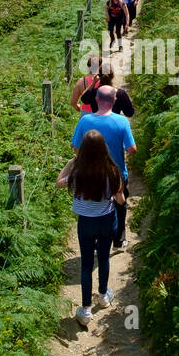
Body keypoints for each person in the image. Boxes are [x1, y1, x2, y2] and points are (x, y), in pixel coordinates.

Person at [57, 131, 125, 328]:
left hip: (86, 222)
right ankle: (103, 296)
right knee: (103, 258)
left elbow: (58, 183)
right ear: (104, 148)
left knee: (86, 264)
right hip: (106, 220)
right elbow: (120, 200)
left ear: (83, 150)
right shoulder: (112, 171)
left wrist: (71, 163)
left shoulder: (78, 173)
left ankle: (85, 309)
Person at [72, 85, 136, 249]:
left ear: (96, 100)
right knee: (120, 203)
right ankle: (119, 239)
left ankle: (95, 238)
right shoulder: (121, 121)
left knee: (95, 202)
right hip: (117, 172)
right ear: (115, 100)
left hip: (90, 172)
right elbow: (132, 149)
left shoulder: (85, 121)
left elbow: (75, 146)